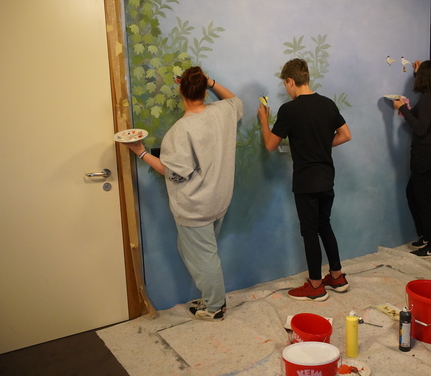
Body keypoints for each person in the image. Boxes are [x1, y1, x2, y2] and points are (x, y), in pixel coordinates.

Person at [123, 66, 243, 321]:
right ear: (204, 90)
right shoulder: (223, 112)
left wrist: (140, 152)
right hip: (219, 199)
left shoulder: (181, 130)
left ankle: (215, 308)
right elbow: (234, 100)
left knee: (204, 258)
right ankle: (212, 298)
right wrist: (210, 81)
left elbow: (172, 173)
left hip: (196, 205)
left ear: (181, 91)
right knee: (198, 252)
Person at [257, 58, 352, 301]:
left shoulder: (290, 110)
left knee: (310, 232)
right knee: (325, 225)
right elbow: (345, 135)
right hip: (327, 178)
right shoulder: (328, 104)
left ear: (290, 81)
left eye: (285, 84)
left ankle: (316, 286)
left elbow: (270, 145)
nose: (286, 89)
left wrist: (264, 121)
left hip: (306, 181)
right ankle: (337, 276)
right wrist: (321, 146)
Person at [394, 60, 431, 258]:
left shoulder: (428, 98)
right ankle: (428, 236)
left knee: (426, 202)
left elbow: (420, 128)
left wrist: (403, 108)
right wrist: (418, 72)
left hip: (425, 155)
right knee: (414, 194)